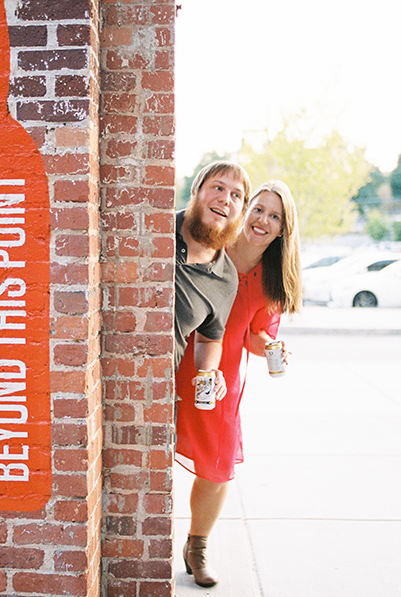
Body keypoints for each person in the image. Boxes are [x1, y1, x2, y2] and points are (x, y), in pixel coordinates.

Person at [175, 180, 303, 588]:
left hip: (222, 379)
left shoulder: (273, 280)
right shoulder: (217, 247)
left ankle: (197, 547)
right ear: (245, 211)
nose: (263, 220)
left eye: (274, 216)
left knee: (218, 465)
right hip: (180, 358)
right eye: (258, 209)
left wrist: (270, 345)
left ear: (283, 229)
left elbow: (251, 333)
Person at [173, 161, 251, 397]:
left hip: (158, 393)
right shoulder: (157, 229)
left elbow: (209, 340)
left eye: (236, 195)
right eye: (218, 188)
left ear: (241, 211)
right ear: (196, 191)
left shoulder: (226, 278)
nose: (225, 199)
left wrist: (209, 371)